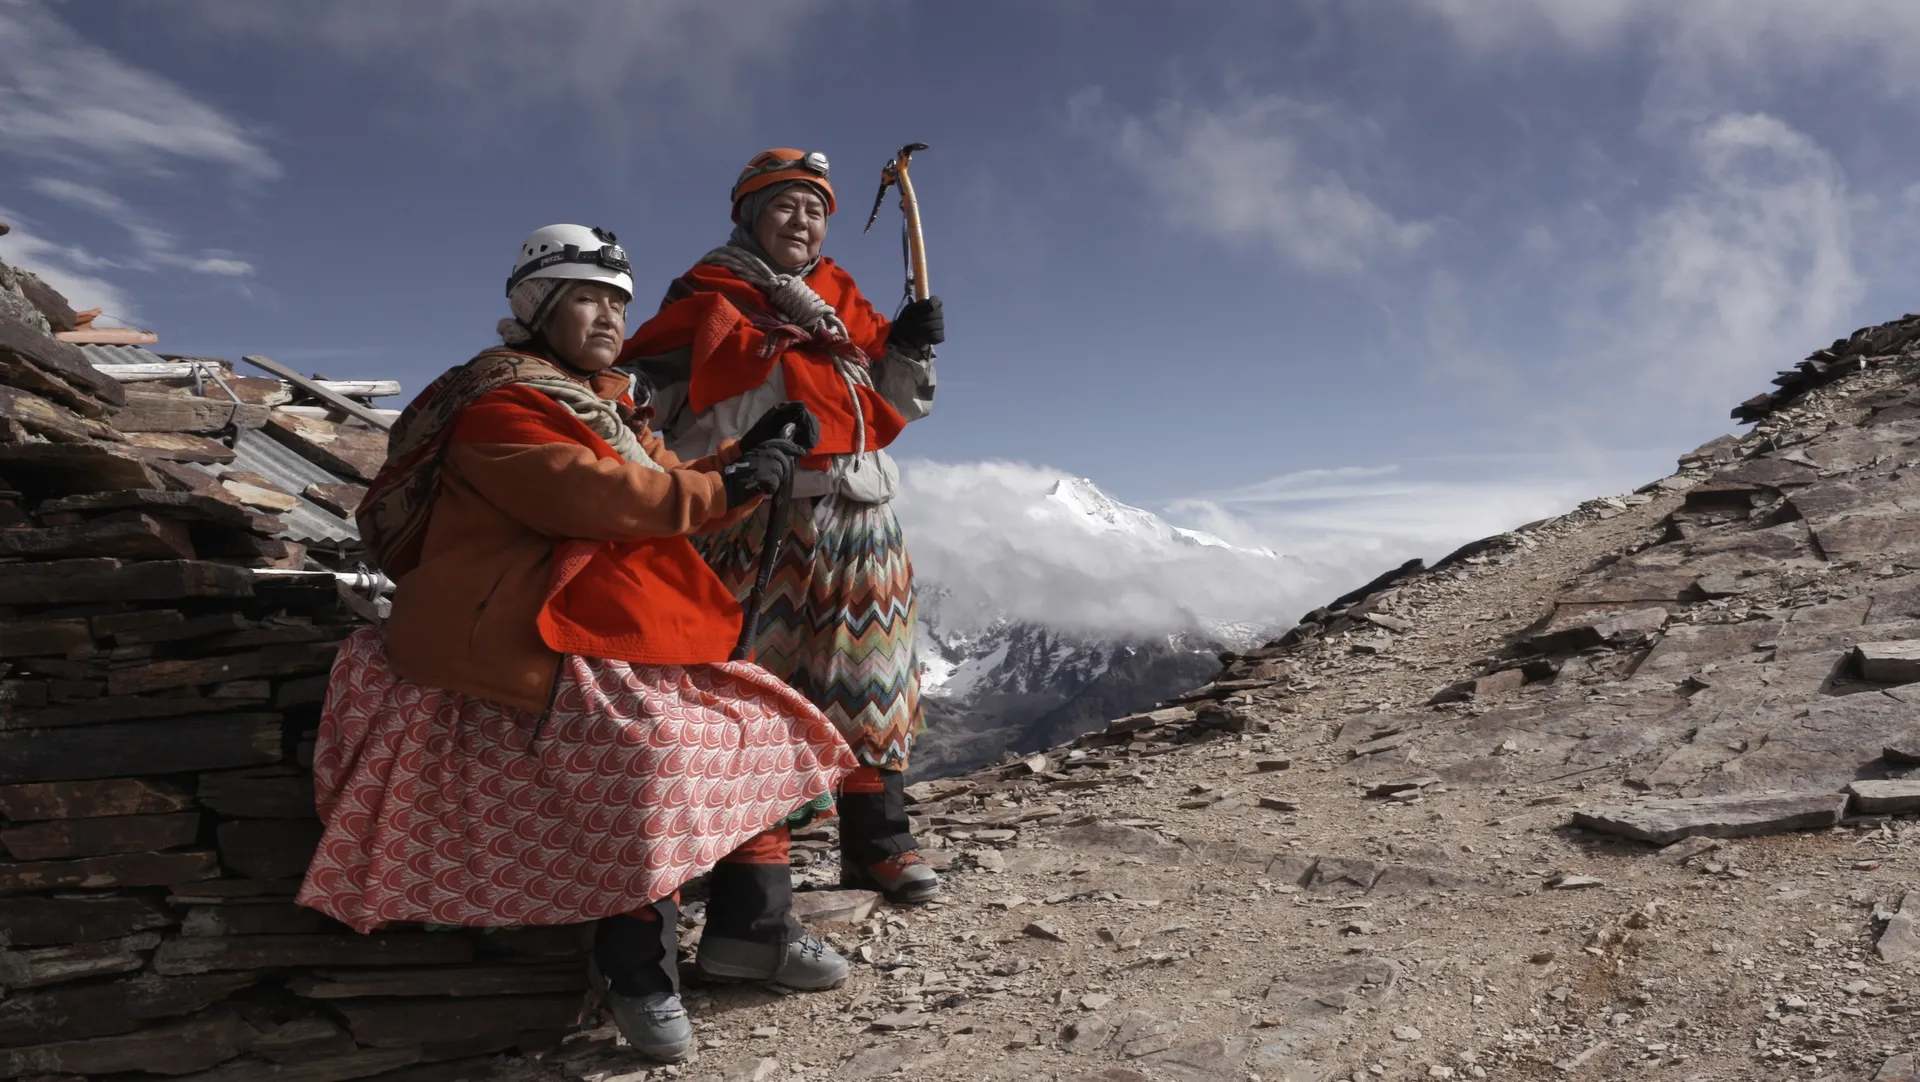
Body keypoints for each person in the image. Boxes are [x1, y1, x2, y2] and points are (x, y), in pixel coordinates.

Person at [295, 224, 859, 1064]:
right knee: (646, 754)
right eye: (587, 300)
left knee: (757, 726)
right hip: (520, 631)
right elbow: (596, 495)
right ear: (539, 310)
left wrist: (749, 455)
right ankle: (636, 969)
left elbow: (661, 476)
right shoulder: (499, 406)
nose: (609, 318)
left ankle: (755, 930)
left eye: (617, 304)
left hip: (597, 621)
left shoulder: (603, 400)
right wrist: (726, 485)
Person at [623, 149, 945, 905]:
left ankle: (878, 846)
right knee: (744, 681)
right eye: (784, 205)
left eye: (815, 210)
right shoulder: (707, 294)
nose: (802, 221)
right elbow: (646, 392)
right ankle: (740, 866)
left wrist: (908, 347)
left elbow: (898, 403)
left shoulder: (840, 297)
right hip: (749, 511)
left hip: (857, 508)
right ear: (748, 215)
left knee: (870, 675)